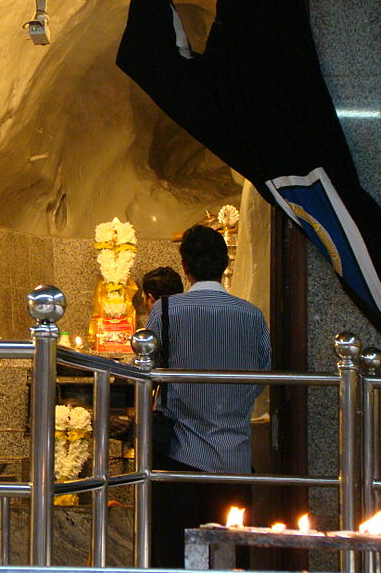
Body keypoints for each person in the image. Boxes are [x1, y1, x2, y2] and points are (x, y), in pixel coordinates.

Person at [145, 225, 270, 568]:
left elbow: (146, 369)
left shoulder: (167, 311)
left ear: (185, 266)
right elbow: (262, 377)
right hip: (236, 459)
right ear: (225, 262)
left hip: (180, 456)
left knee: (177, 554)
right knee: (229, 557)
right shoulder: (251, 315)